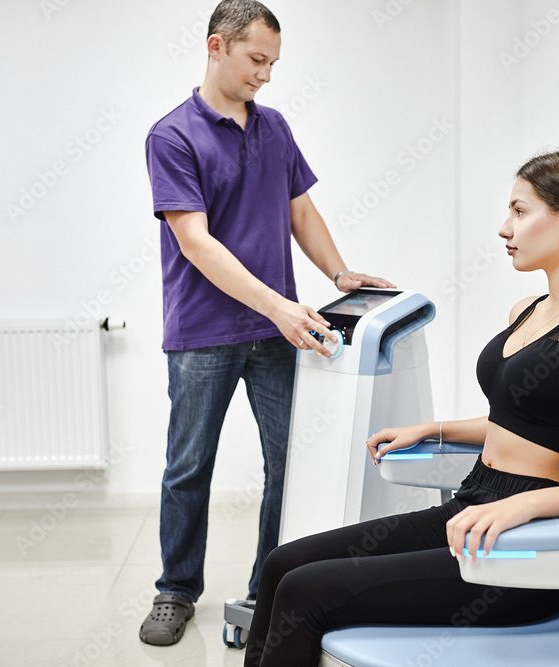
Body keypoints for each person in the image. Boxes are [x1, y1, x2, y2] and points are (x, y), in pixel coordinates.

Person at [242, 148, 559, 666]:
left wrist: (520, 507)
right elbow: (520, 425)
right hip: (472, 506)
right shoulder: (527, 310)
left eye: (520, 211)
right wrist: (433, 429)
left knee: (307, 593)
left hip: (522, 554)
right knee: (282, 564)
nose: (505, 228)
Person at [139, 0, 395, 648]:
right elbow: (196, 242)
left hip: (278, 332)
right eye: (258, 59)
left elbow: (300, 211)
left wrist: (338, 274)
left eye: (274, 63)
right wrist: (277, 303)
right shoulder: (171, 136)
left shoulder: (274, 128)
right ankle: (175, 589)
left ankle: (269, 587)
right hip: (203, 332)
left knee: (293, 461)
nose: (267, 75)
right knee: (188, 464)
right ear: (216, 47)